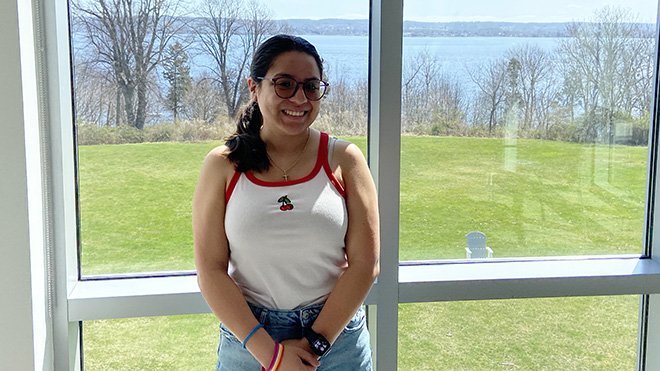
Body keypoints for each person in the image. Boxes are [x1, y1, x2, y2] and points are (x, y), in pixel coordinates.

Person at [193, 34, 380, 371]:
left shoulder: (345, 160)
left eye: (311, 86)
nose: (299, 97)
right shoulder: (222, 165)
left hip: (336, 342)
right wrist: (273, 355)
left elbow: (366, 265)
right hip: (249, 340)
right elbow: (210, 269)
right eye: (284, 84)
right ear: (254, 87)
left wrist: (315, 344)